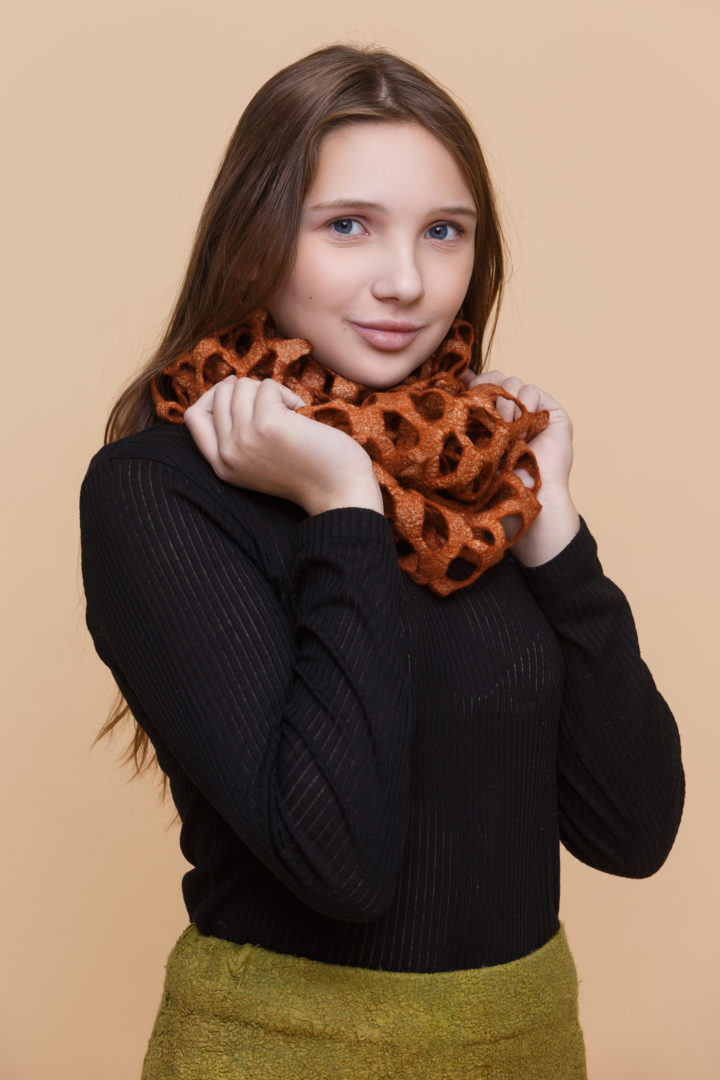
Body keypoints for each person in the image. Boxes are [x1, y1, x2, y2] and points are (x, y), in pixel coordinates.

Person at [80, 44, 684, 1079]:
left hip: (527, 1049)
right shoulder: (157, 490)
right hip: (283, 1054)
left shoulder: (481, 480)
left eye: (444, 232)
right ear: (258, 236)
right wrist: (344, 505)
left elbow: (632, 831)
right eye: (348, 225)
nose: (405, 281)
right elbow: (341, 865)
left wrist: (555, 532)